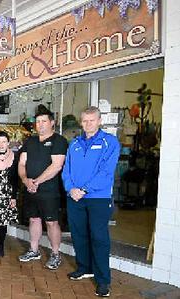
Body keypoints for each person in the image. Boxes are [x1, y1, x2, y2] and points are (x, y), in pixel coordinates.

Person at [62, 106, 119, 297]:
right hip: (75, 197)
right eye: (85, 120)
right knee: (78, 234)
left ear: (99, 121)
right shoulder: (75, 143)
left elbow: (106, 172)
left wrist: (84, 189)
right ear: (81, 122)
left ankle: (103, 280)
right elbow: (66, 170)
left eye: (92, 120)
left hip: (98, 198)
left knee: (99, 238)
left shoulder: (109, 142)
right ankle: (84, 268)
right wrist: (71, 189)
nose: (88, 124)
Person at [18, 106, 68, 270]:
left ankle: (55, 254)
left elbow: (56, 166)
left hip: (49, 191)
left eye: (43, 121)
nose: (40, 124)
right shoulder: (30, 141)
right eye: (37, 121)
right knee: (33, 219)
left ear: (52, 123)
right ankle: (34, 250)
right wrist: (25, 180)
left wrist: (36, 182)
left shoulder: (59, 141)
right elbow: (21, 163)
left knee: (52, 222)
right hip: (30, 189)